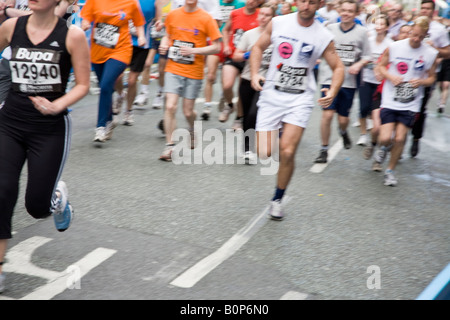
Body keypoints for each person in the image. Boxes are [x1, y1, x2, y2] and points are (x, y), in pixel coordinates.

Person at [0, 0, 90, 293]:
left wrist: (57, 106)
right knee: (1, 193)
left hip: (49, 129)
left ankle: (57, 198)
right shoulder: (11, 27)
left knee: (36, 207)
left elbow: (83, 85)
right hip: (9, 122)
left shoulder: (72, 35)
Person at [250, 0, 344, 220]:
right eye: (303, 1)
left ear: (319, 4)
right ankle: (282, 133)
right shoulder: (279, 22)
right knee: (264, 152)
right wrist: (255, 73)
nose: (306, 6)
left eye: (312, 2)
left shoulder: (322, 35)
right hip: (272, 95)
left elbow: (338, 67)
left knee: (288, 151)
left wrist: (333, 90)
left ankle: (277, 199)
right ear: (295, 2)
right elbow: (257, 47)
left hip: (299, 100)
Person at [374, 16, 438, 186]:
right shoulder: (395, 47)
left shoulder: (430, 54)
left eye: (420, 36)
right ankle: (383, 148)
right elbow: (381, 66)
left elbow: (432, 78)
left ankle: (390, 171)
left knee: (401, 139)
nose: (416, 39)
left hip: (411, 102)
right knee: (386, 137)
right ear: (410, 31)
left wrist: (421, 82)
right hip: (390, 98)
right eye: (413, 34)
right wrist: (390, 76)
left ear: (426, 35)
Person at [158, 0, 222, 161]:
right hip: (173, 68)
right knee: (170, 105)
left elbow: (217, 47)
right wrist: (164, 45)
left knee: (188, 111)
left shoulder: (206, 18)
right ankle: (169, 146)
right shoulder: (173, 14)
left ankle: (192, 128)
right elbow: (167, 36)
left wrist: (194, 50)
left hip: (194, 71)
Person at [80, 0, 146, 143]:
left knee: (105, 85)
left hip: (120, 51)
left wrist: (141, 36)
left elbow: (139, 22)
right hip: (98, 51)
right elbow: (86, 16)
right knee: (105, 88)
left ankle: (100, 127)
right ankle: (109, 120)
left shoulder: (131, 3)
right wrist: (85, 23)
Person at [314, 0, 370, 164]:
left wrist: (358, 64)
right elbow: (319, 47)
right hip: (328, 78)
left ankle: (343, 131)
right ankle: (324, 149)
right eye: (343, 10)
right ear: (339, 11)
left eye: (350, 11)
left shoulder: (361, 32)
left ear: (356, 13)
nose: (346, 14)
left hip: (348, 82)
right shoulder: (329, 29)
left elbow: (367, 55)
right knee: (327, 114)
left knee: (343, 119)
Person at [232, 3, 275, 163]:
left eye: (267, 15)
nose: (263, 17)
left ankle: (255, 144)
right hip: (248, 78)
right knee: (247, 117)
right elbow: (236, 56)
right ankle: (247, 148)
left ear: (273, 18)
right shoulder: (249, 34)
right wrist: (250, 54)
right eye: (261, 14)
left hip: (266, 81)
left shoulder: (277, 36)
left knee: (253, 113)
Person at [113, 0, 164, 126]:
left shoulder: (154, 2)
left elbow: (158, 19)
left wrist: (158, 22)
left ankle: (128, 111)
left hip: (142, 44)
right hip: (123, 42)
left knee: (131, 81)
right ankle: (120, 95)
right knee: (117, 77)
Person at [409, 0, 450, 157]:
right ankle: (397, 139)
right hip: (408, 75)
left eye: (427, 8)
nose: (424, 10)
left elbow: (448, 52)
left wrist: (435, 49)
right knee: (402, 107)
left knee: (420, 108)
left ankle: (416, 139)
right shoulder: (413, 24)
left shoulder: (439, 30)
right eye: (422, 8)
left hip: (427, 76)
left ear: (433, 11)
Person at [201, 0, 246, 121]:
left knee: (227, 80)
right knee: (210, 75)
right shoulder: (215, 3)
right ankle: (207, 106)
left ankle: (225, 96)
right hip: (215, 42)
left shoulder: (241, 4)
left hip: (231, 45)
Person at [218, 0, 259, 129]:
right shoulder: (235, 13)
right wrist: (225, 45)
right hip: (233, 55)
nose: (253, 2)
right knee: (227, 85)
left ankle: (239, 119)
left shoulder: (261, 16)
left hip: (249, 59)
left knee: (242, 91)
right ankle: (229, 105)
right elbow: (225, 30)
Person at [358, 14, 393, 149]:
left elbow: (390, 63)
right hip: (366, 78)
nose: (378, 27)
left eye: (381, 24)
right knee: (363, 108)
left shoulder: (390, 44)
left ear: (387, 27)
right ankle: (363, 134)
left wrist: (381, 70)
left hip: (381, 83)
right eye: (376, 24)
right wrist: (366, 63)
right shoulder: (369, 40)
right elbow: (361, 57)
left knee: (376, 111)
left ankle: (375, 130)